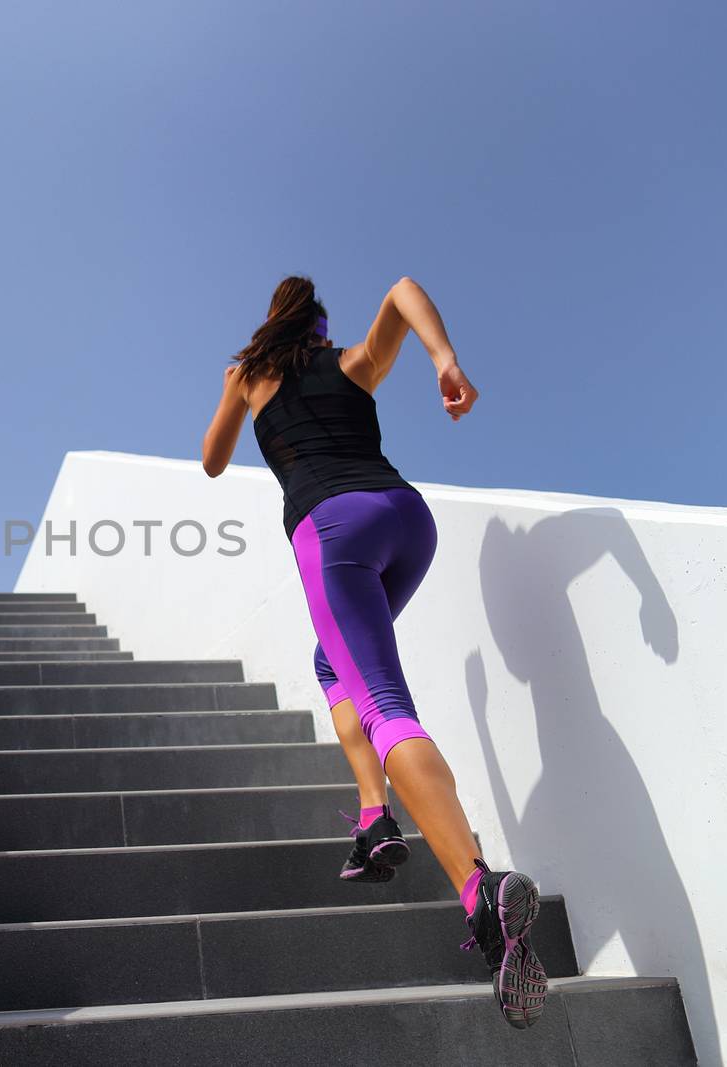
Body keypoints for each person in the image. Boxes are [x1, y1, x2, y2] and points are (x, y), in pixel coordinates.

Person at [199, 274, 547, 1030]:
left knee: (385, 702)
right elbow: (401, 289)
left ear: (271, 330)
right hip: (405, 520)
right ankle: (372, 813)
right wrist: (444, 359)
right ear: (320, 331)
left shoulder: (251, 378)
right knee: (336, 666)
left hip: (332, 530)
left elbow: (213, 460)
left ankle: (478, 889)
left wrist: (235, 389)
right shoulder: (354, 362)